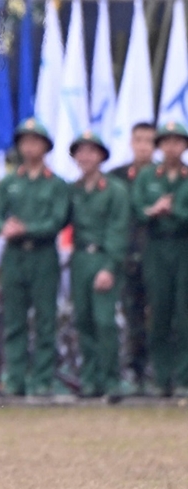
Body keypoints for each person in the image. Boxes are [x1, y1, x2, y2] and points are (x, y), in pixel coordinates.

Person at [0, 118, 69, 397]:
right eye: (25, 141)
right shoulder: (9, 182)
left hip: (43, 256)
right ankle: (15, 379)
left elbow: (58, 220)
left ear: (45, 147)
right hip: (14, 258)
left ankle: (43, 380)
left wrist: (26, 229)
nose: (30, 146)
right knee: (14, 320)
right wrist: (4, 227)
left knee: (46, 320)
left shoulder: (56, 184)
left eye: (36, 141)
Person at [67, 132, 130, 400]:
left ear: (101, 156)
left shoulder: (114, 190)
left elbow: (119, 229)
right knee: (83, 320)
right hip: (79, 258)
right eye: (80, 152)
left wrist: (110, 266)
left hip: (104, 257)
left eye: (91, 151)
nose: (85, 157)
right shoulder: (73, 190)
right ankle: (90, 380)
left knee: (105, 322)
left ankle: (112, 380)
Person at [131, 122, 188, 397]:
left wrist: (174, 210)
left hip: (183, 246)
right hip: (155, 247)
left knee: (184, 314)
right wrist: (153, 210)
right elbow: (137, 209)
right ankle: (162, 378)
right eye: (166, 142)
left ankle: (184, 378)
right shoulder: (147, 177)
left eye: (177, 142)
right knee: (159, 313)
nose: (171, 147)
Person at [109, 122, 155, 392]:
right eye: (138, 140)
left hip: (159, 255)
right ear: (130, 142)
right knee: (132, 316)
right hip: (126, 256)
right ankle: (134, 370)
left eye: (149, 141)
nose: (143, 146)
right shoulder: (116, 177)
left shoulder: (170, 175)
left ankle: (165, 372)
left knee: (165, 316)